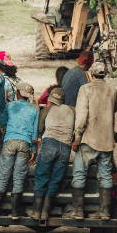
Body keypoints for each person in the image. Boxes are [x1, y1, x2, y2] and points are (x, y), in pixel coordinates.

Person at [70, 61, 117, 220]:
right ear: (104, 74)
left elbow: (81, 116)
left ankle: (78, 211)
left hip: (88, 140)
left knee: (79, 174)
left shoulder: (85, 89)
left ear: (90, 74)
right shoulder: (112, 90)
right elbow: (115, 109)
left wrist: (77, 137)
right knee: (105, 175)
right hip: (106, 141)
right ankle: (104, 212)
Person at [0, 82, 38, 217]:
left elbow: (2, 121)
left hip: (10, 142)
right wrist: (34, 151)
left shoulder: (9, 106)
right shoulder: (34, 109)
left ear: (18, 93)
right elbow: (35, 133)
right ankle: (15, 211)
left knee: (4, 175)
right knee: (19, 177)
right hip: (25, 144)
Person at [32, 86, 74, 221]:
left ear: (50, 99)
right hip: (65, 147)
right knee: (55, 180)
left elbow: (39, 130)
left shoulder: (46, 110)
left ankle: (37, 211)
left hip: (49, 143)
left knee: (41, 176)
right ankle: (46, 212)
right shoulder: (72, 110)